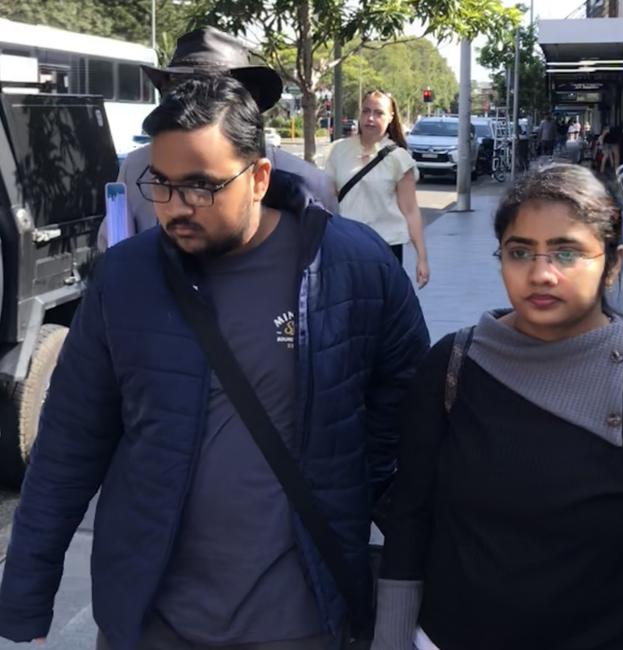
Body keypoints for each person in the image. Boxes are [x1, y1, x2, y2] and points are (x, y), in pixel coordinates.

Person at [0, 76, 430, 650]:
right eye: (164, 184)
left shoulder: (355, 268)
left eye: (202, 187)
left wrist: (351, 480)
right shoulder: (125, 280)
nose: (177, 208)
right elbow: (69, 443)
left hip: (302, 620)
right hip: (150, 617)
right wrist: (24, 594)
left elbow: (410, 421)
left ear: (258, 177)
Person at [371, 164, 623, 650]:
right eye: (520, 252)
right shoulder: (454, 365)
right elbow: (410, 519)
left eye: (567, 252)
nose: (541, 273)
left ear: (614, 262)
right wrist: (391, 639)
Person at [97, 27, 338, 251]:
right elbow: (114, 251)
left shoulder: (309, 184)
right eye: (181, 92)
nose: (193, 107)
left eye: (211, 95)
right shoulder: (136, 169)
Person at [324, 90, 429, 288]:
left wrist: (421, 258)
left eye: (378, 113)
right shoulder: (339, 151)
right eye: (366, 111)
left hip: (385, 247)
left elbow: (411, 211)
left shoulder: (399, 158)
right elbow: (329, 198)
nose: (370, 118)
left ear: (390, 117)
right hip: (345, 246)